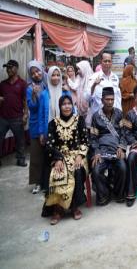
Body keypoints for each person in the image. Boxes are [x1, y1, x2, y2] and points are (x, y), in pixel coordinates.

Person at [42, 95, 89, 224]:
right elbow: (50, 145)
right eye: (64, 104)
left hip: (77, 156)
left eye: (69, 103)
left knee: (78, 170)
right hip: (60, 157)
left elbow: (85, 141)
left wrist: (80, 156)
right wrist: (57, 159)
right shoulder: (53, 123)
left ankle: (74, 206)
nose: (67, 106)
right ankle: (58, 208)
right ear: (60, 106)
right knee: (56, 172)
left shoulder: (79, 120)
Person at [90, 87, 127, 206]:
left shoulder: (119, 114)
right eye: (107, 99)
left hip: (116, 150)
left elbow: (123, 133)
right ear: (102, 100)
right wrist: (96, 152)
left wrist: (121, 147)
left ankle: (118, 192)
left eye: (112, 99)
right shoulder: (96, 116)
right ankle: (105, 193)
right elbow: (93, 138)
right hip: (102, 151)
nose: (110, 102)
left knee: (122, 168)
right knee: (96, 170)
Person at [0, 59, 28, 167]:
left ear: (16, 69)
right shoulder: (2, 84)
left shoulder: (22, 84)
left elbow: (25, 100)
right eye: (7, 68)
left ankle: (20, 159)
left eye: (10, 67)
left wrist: (25, 115)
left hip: (17, 117)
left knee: (20, 140)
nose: (8, 70)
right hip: (3, 117)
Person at [27, 60, 49, 194]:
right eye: (33, 73)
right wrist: (35, 95)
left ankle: (47, 181)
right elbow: (32, 107)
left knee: (49, 154)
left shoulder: (49, 84)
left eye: (38, 70)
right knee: (36, 155)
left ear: (42, 69)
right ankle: (37, 182)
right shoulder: (29, 88)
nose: (36, 74)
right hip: (36, 126)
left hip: (48, 124)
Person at [89, 52, 122, 116]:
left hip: (114, 116)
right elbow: (88, 98)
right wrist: (94, 85)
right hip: (99, 116)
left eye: (109, 61)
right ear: (101, 62)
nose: (107, 63)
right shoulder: (94, 77)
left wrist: (120, 112)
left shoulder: (115, 77)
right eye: (105, 61)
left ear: (111, 62)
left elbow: (118, 97)